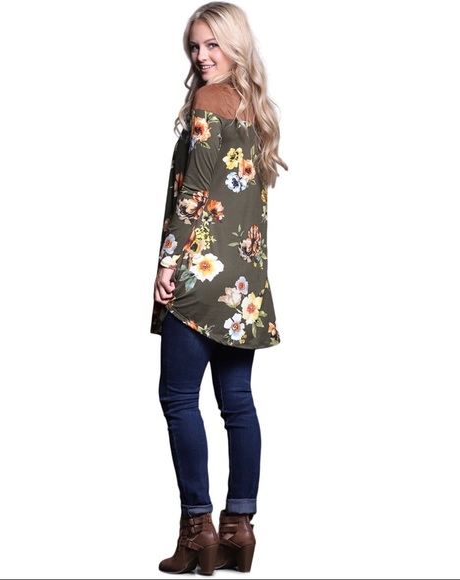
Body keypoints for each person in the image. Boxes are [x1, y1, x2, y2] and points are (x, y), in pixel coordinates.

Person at [151, 2, 288, 575]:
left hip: (199, 276)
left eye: (212, 44)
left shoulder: (208, 101)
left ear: (235, 45)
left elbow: (197, 193)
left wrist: (167, 263)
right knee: (237, 403)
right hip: (243, 286)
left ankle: (197, 530)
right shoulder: (257, 109)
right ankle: (239, 530)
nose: (201, 56)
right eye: (194, 46)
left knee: (180, 399)